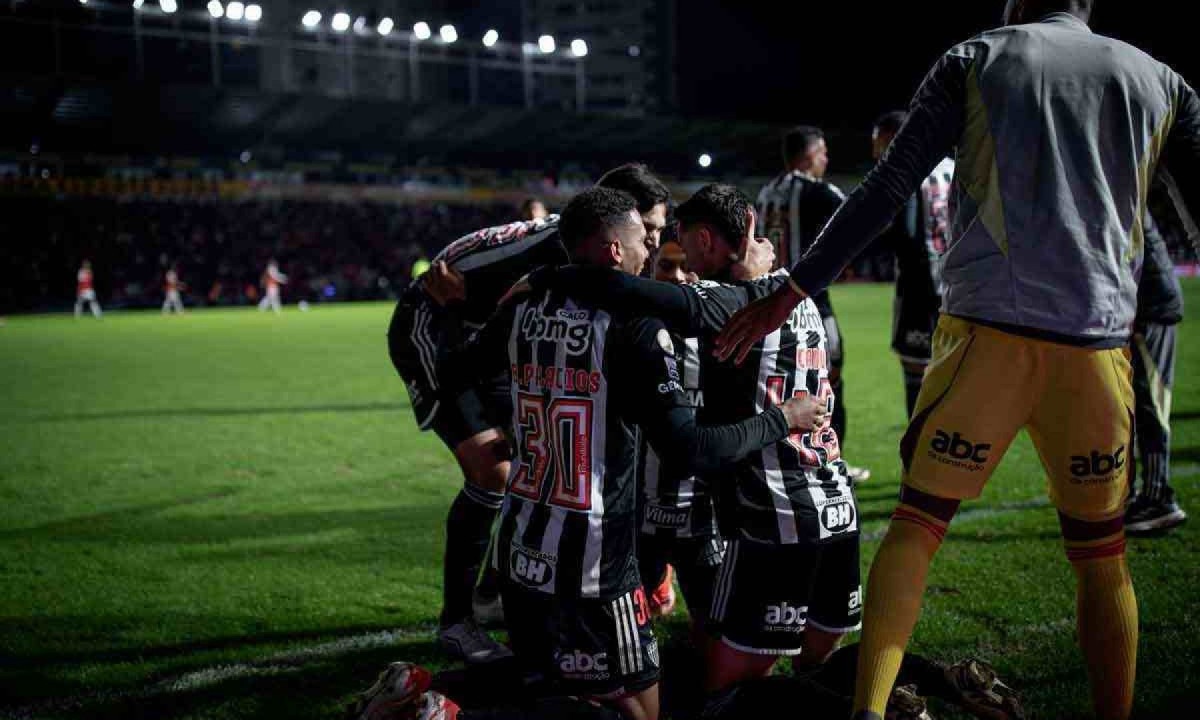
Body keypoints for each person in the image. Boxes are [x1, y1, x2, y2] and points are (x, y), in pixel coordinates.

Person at [711, 2, 1200, 719]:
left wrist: (790, 291)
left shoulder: (979, 56)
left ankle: (869, 712)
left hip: (986, 338)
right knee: (1101, 555)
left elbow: (886, 188)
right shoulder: (1163, 80)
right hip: (1095, 348)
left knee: (916, 526)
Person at [358, 187, 822, 720]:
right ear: (613, 252)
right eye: (641, 238)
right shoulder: (634, 328)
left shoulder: (522, 306)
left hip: (523, 551)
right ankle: (450, 717)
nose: (651, 248)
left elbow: (460, 371)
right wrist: (783, 418)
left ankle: (420, 690)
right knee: (637, 715)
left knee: (546, 681)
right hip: (595, 562)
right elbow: (691, 451)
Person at [524, 185, 859, 693]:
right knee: (815, 669)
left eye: (681, 242)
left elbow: (622, 290)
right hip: (837, 507)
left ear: (704, 238)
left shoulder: (728, 301)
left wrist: (544, 275)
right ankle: (896, 694)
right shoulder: (798, 290)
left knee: (723, 687)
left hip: (773, 515)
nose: (677, 261)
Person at [387, 164, 673, 664]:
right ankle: (457, 623)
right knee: (493, 471)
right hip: (436, 326)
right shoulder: (559, 252)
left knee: (545, 462)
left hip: (494, 334)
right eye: (645, 231)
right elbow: (469, 295)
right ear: (614, 225)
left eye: (657, 232)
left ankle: (496, 591)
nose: (650, 244)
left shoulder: (582, 249)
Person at [757, 126, 869, 482]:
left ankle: (785, 460)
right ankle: (831, 459)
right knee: (829, 380)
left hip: (768, 300)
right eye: (822, 153)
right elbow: (860, 217)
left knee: (781, 385)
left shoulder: (765, 192)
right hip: (810, 303)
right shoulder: (817, 191)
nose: (826, 160)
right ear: (808, 156)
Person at [871, 111, 954, 417]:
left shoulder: (907, 171)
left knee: (916, 372)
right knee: (951, 370)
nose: (876, 152)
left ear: (894, 138)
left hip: (920, 288)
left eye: (879, 142)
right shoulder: (952, 168)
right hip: (957, 287)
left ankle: (919, 453)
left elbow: (905, 234)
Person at [1125, 176, 1192, 535]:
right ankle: (1141, 495)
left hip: (1153, 311)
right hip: (1147, 308)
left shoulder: (1122, 203)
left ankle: (1159, 497)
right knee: (1140, 404)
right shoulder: (1122, 197)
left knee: (1152, 405)